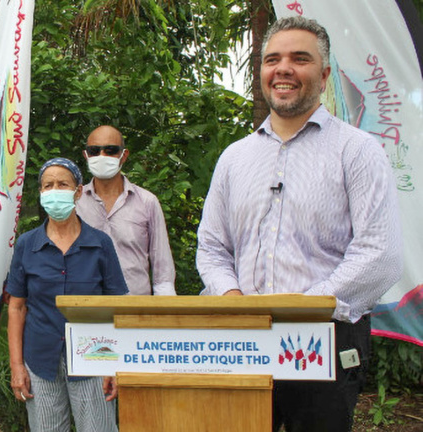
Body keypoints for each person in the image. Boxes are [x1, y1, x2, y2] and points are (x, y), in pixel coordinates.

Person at [196, 16, 403, 432]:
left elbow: (380, 254)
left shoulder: (357, 151)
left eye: (299, 59)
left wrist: (306, 309)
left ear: (324, 75)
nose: (283, 68)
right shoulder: (234, 158)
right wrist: (233, 298)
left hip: (324, 339)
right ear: (262, 72)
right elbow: (212, 247)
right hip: (245, 338)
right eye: (272, 59)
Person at [7, 157, 128, 432]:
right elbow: (16, 307)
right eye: (47, 185)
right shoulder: (27, 244)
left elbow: (116, 306)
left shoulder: (100, 243)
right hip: (40, 359)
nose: (54, 190)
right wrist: (17, 366)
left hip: (94, 357)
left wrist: (114, 365)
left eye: (63, 184)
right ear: (40, 193)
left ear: (78, 191)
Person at [76, 125, 176, 295]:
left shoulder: (147, 202)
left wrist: (164, 312)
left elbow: (163, 271)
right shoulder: (75, 203)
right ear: (86, 155)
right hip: (86, 310)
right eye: (94, 150)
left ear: (124, 156)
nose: (102, 156)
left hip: (135, 311)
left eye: (110, 150)